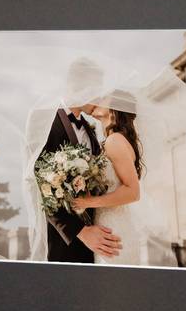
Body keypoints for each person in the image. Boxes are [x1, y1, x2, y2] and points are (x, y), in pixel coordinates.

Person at [37, 57, 122, 263]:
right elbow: (39, 183)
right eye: (97, 89)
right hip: (62, 240)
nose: (100, 95)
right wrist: (81, 232)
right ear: (79, 86)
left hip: (97, 238)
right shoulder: (43, 119)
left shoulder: (91, 131)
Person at [72, 94, 145, 265]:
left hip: (115, 232)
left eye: (103, 97)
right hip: (108, 228)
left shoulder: (115, 141)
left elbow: (133, 192)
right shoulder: (110, 140)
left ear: (115, 108)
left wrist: (89, 202)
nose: (96, 98)